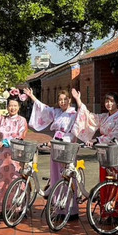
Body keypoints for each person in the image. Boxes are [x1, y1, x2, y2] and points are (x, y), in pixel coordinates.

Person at [71, 88, 118, 221]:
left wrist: (97, 140)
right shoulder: (104, 117)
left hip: (115, 153)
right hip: (104, 153)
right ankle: (106, 212)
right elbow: (90, 117)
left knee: (115, 182)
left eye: (111, 101)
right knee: (105, 181)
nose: (108, 104)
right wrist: (79, 101)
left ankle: (117, 213)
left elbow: (116, 135)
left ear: (117, 102)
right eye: (107, 101)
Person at [26, 88, 79, 218]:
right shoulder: (56, 113)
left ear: (69, 100)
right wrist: (32, 96)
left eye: (65, 99)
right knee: (56, 176)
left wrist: (79, 100)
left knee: (68, 177)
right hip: (56, 146)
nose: (62, 102)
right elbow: (43, 108)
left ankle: (71, 210)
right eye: (60, 100)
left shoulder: (74, 114)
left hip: (67, 146)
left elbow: (75, 131)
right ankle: (59, 208)